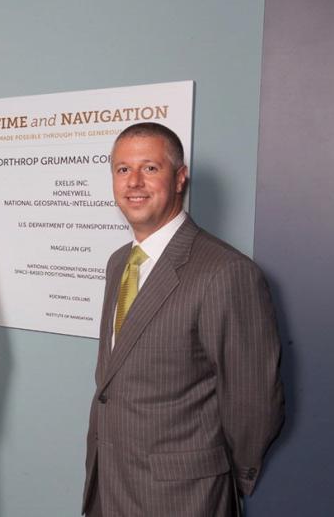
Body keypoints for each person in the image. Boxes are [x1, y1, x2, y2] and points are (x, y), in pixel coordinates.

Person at [82, 123, 284, 517]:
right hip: (109, 483)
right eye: (122, 170)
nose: (134, 182)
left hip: (183, 496)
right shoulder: (119, 262)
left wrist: (224, 476)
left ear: (180, 178)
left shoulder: (225, 272)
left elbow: (255, 403)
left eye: (150, 168)